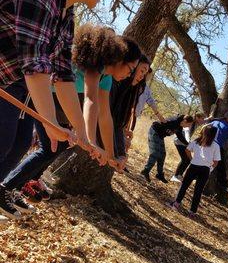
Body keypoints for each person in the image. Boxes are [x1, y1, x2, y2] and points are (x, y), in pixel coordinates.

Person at [0, 0, 111, 219]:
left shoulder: (66, 12)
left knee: (15, 142)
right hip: (9, 80)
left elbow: (62, 76)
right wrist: (51, 125)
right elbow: (35, 69)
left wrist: (82, 135)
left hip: (8, 81)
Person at [0, 25, 141, 218]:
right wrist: (89, 140)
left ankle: (10, 186)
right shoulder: (97, 66)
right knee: (18, 143)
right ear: (119, 58)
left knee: (39, 145)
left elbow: (104, 115)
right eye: (131, 69)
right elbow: (90, 101)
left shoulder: (106, 78)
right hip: (36, 93)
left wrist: (109, 154)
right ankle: (7, 187)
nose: (131, 75)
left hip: (53, 102)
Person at [169, 124, 221, 218]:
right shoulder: (216, 146)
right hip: (205, 170)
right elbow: (216, 161)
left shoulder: (197, 141)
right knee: (198, 191)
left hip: (193, 166)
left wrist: (191, 159)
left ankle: (176, 203)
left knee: (184, 186)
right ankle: (192, 212)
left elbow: (187, 150)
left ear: (204, 132)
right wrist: (210, 169)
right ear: (214, 135)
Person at [110, 55, 151, 161]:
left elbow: (117, 126)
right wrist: (115, 153)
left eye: (145, 74)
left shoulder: (130, 92)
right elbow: (105, 121)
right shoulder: (111, 84)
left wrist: (121, 154)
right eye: (142, 71)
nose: (142, 76)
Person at [141, 115, 194, 183]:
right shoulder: (174, 121)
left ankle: (159, 174)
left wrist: (188, 144)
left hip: (160, 136)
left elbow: (180, 137)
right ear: (185, 121)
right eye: (189, 124)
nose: (189, 126)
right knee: (155, 153)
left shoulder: (179, 127)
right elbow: (160, 122)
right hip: (154, 131)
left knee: (163, 154)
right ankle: (145, 171)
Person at [171, 112, 208, 183]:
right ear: (197, 117)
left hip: (185, 143)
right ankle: (175, 176)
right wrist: (189, 142)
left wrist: (210, 118)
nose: (203, 120)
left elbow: (206, 120)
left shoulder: (197, 123)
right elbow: (187, 132)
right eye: (202, 118)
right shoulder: (190, 122)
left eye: (203, 119)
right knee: (185, 158)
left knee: (187, 159)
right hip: (180, 141)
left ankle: (179, 175)